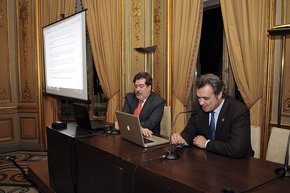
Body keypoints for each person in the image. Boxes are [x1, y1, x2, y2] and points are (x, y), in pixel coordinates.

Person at [171, 73, 254, 158]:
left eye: (206, 98)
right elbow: (189, 132)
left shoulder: (238, 111)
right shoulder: (199, 107)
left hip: (237, 164)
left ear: (219, 95)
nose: (201, 102)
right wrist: (181, 140)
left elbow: (237, 149)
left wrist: (207, 144)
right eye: (199, 97)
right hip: (208, 160)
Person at [115, 72, 165, 138]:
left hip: (149, 137)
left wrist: (127, 126)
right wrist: (140, 128)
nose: (137, 90)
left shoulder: (158, 102)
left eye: (141, 86)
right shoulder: (129, 98)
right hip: (129, 135)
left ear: (149, 87)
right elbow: (125, 118)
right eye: (136, 86)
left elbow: (150, 124)